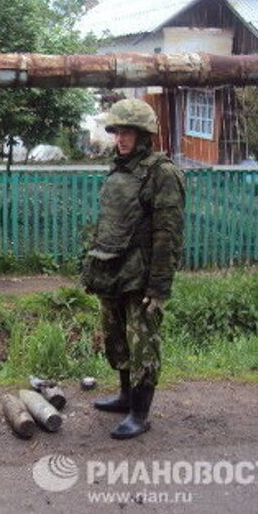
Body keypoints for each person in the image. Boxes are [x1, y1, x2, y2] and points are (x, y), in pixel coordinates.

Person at [81, 98, 185, 440]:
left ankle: (140, 414)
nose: (120, 139)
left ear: (143, 136)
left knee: (143, 346)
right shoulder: (120, 169)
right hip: (112, 272)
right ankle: (126, 398)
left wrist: (159, 288)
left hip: (141, 277)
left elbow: (167, 234)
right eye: (117, 132)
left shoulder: (162, 173)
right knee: (117, 340)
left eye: (127, 132)